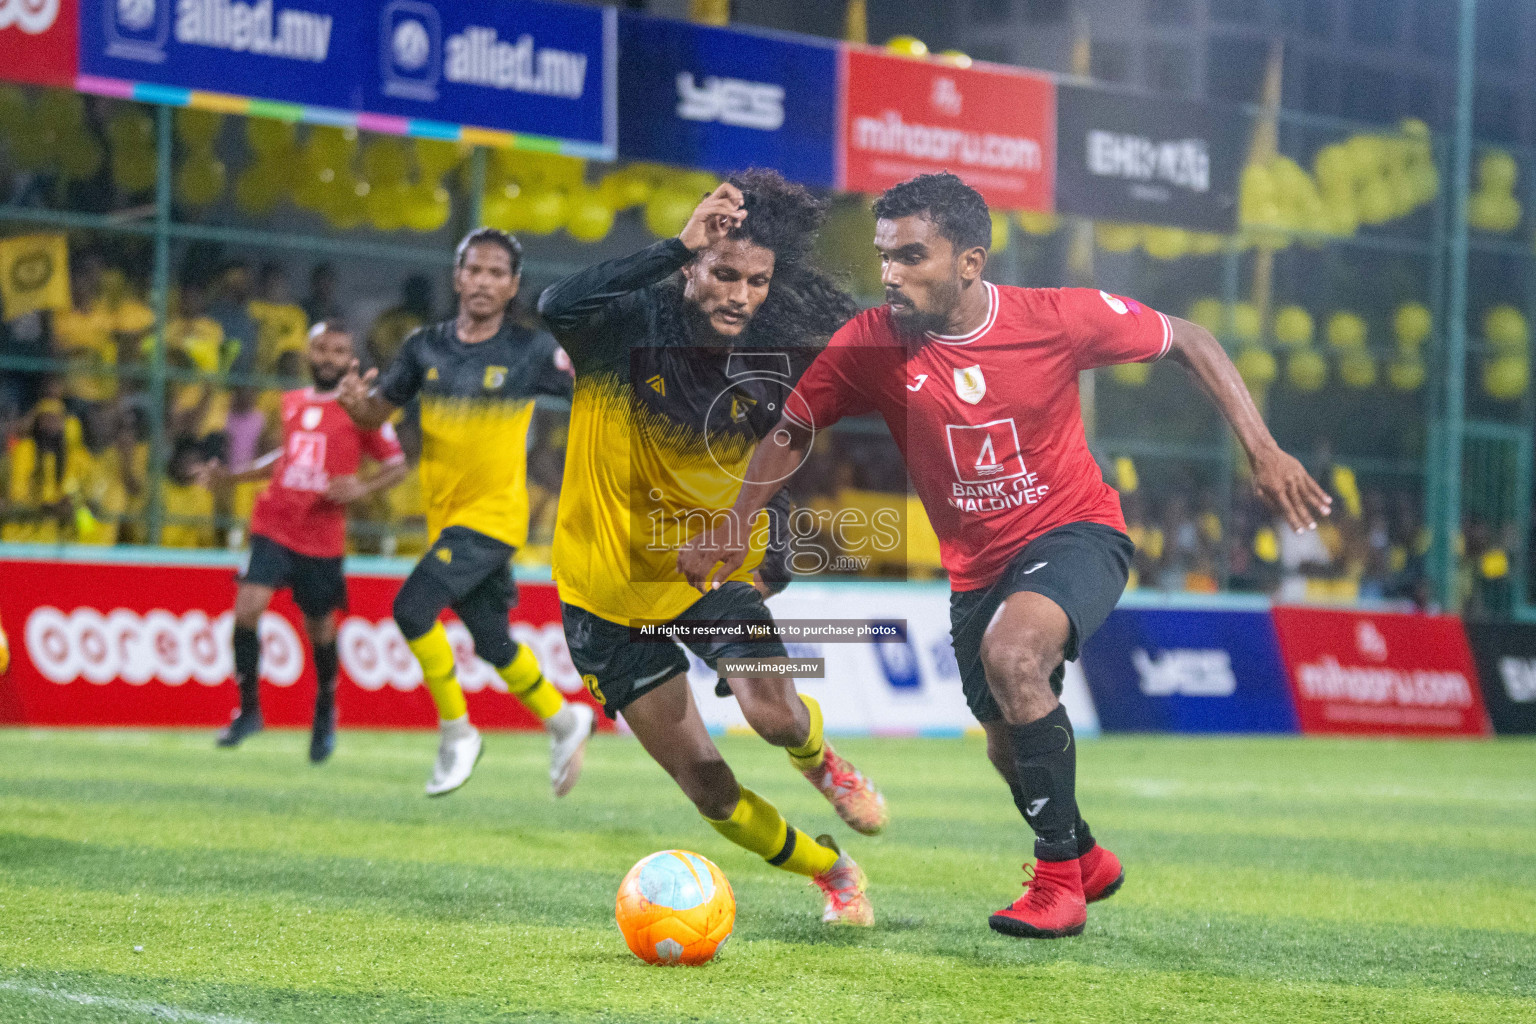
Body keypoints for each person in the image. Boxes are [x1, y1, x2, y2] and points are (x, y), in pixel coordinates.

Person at [681, 172, 1332, 939]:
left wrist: (1263, 450)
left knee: (1015, 658)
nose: (891, 274)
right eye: (885, 256)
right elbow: (791, 425)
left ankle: (1059, 886)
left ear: (970, 262)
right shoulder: (871, 342)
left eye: (913, 256)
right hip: (977, 569)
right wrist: (735, 525)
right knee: (1004, 743)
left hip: (1076, 531)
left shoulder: (1058, 318)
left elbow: (1191, 337)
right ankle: (1084, 855)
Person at [537, 172, 884, 927]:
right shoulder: (620, 331)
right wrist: (672, 244)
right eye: (724, 272)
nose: (741, 293)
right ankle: (835, 871)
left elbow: (774, 469)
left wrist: (768, 560)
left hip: (711, 574)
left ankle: (824, 764)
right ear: (693, 265)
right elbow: (554, 305)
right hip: (605, 599)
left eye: (757, 280)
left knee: (777, 716)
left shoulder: (768, 364)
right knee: (709, 789)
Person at [337, 228, 593, 798]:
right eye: (474, 270)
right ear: (457, 277)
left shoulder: (530, 351)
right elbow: (378, 411)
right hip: (446, 515)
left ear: (513, 286)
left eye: (496, 273)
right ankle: (563, 718)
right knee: (491, 639)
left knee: (411, 609)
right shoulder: (422, 347)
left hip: (496, 515)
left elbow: (593, 389)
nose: (483, 281)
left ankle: (457, 732)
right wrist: (359, 409)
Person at [196, 321, 408, 760]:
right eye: (321, 349)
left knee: (320, 629)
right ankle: (249, 711)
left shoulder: (363, 409)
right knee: (248, 606)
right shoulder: (291, 402)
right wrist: (233, 476)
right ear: (310, 354)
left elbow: (397, 464)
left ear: (350, 359)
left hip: (321, 536)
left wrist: (361, 489)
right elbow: (287, 456)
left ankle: (325, 710)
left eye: (338, 351)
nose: (328, 358)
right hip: (275, 522)